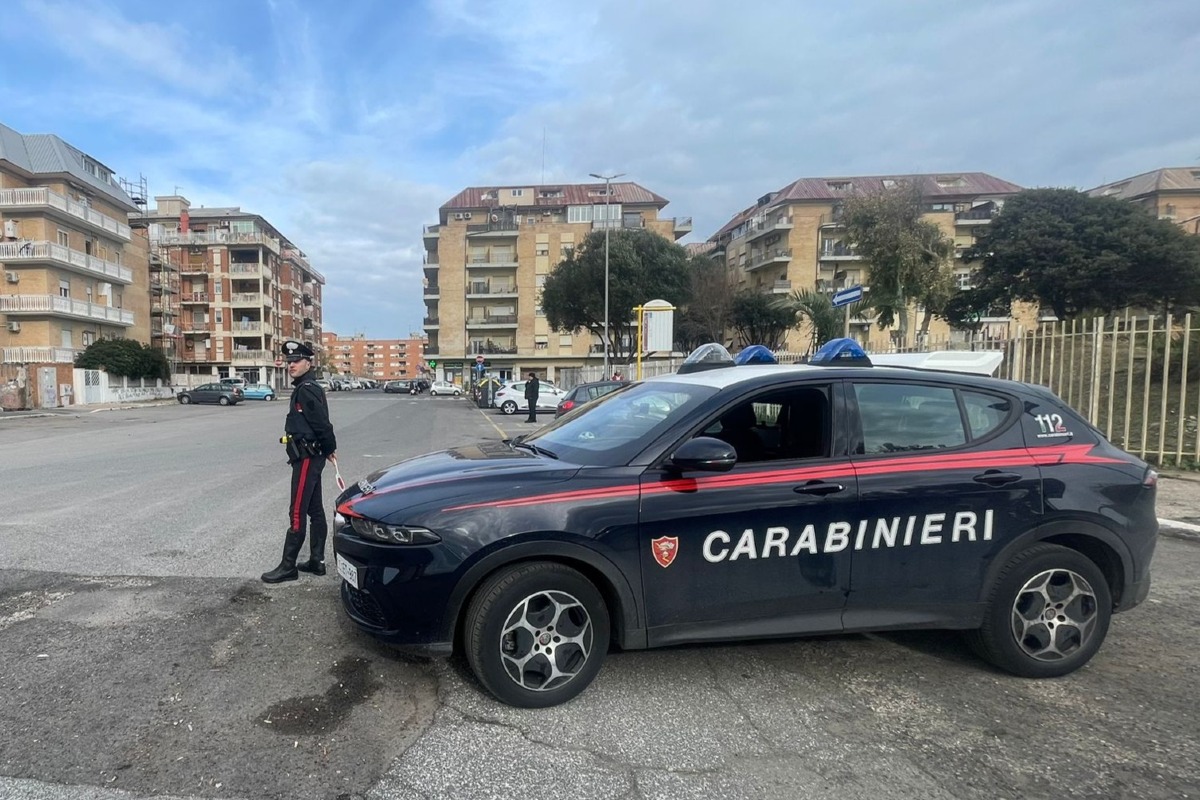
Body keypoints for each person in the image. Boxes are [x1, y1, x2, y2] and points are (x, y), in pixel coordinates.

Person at [262, 339, 338, 584]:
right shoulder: (308, 386)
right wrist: (328, 449)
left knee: (297, 510)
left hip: (307, 458)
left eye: (296, 361)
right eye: (289, 361)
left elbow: (322, 423)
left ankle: (288, 566)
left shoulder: (306, 389)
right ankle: (317, 561)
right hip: (311, 456)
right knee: (315, 510)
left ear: (308, 363)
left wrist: (330, 447)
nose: (291, 365)